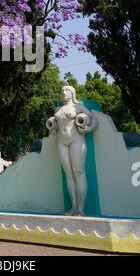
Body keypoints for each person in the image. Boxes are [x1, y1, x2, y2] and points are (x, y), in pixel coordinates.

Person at [46, 86, 98, 216]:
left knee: (78, 172)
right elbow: (55, 128)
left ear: (73, 93)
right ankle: (73, 207)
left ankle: (81, 209)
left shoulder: (78, 107)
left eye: (67, 90)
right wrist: (52, 128)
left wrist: (89, 128)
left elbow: (94, 119)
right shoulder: (58, 109)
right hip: (61, 142)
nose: (64, 92)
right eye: (62, 90)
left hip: (76, 140)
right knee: (69, 174)